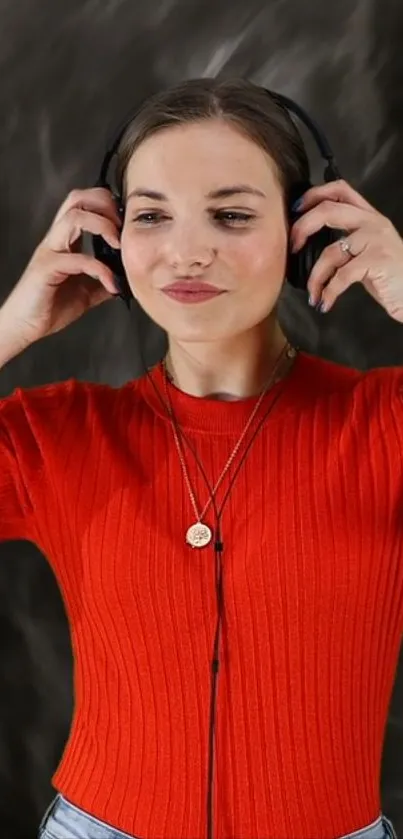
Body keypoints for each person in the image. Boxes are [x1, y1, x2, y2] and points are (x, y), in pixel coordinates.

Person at [0, 77, 402, 839]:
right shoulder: (56, 435)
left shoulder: (381, 423)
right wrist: (7, 327)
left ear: (304, 232)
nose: (186, 250)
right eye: (151, 215)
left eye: (230, 214)